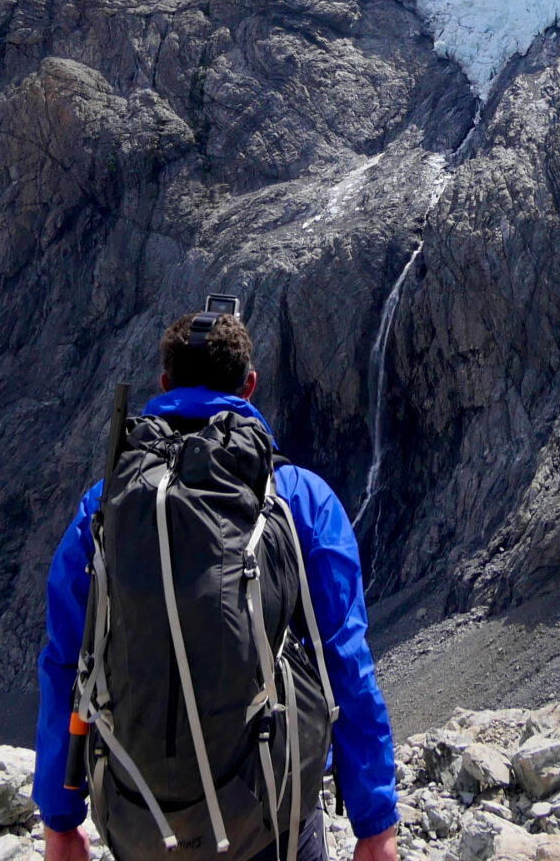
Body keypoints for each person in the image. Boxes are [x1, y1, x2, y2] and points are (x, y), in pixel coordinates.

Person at [34, 306, 400, 861]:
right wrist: (376, 825)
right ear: (249, 386)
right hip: (267, 817)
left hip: (138, 814)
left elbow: (67, 662)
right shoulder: (297, 497)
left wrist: (61, 820)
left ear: (164, 385)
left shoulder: (104, 505)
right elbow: (342, 661)